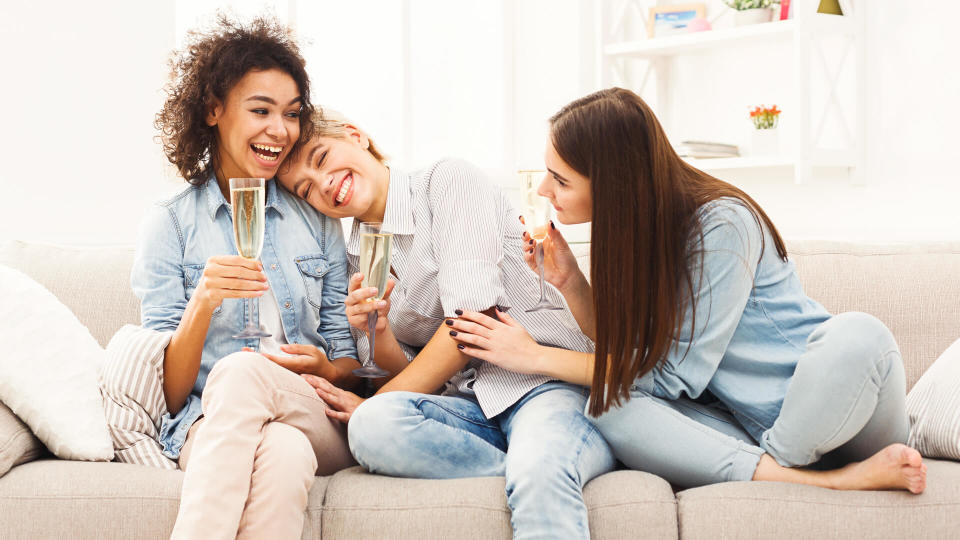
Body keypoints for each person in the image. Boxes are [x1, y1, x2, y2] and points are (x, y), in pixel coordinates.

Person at [446, 87, 927, 494]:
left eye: (560, 180)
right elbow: (632, 355)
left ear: (614, 184)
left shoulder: (722, 224)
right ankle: (814, 478)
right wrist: (570, 282)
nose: (544, 193)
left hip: (837, 407)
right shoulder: (636, 237)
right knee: (609, 408)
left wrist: (534, 357)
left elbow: (672, 377)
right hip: (750, 430)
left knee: (859, 334)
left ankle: (808, 473)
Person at [276, 110, 615, 538]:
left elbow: (470, 324)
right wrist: (377, 333)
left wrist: (378, 399)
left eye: (321, 157)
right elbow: (411, 373)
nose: (322, 183)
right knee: (372, 428)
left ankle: (542, 466)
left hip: (541, 384)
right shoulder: (357, 256)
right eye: (306, 189)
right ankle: (525, 471)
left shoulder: (447, 182)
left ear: (355, 136)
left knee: (375, 413)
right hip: (468, 407)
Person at [133, 16, 363, 538]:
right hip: (211, 423)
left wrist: (326, 366)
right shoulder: (169, 224)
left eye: (291, 114)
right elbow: (169, 394)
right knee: (281, 454)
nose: (279, 131)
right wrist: (203, 302)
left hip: (308, 407)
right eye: (260, 110)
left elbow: (349, 362)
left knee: (241, 373)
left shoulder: (316, 218)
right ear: (213, 110)